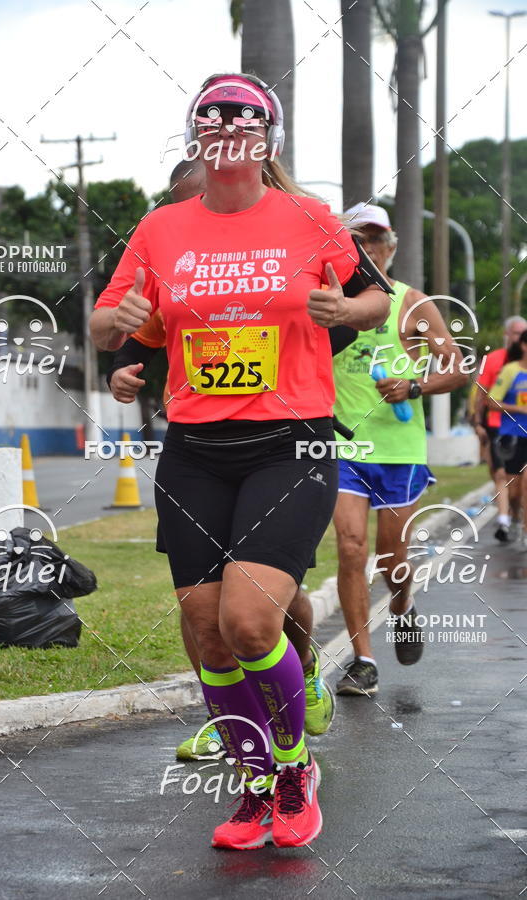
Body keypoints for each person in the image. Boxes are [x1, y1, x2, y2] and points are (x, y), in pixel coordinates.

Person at [91, 72, 390, 850]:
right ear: (195, 135)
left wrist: (343, 308)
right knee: (206, 629)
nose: (227, 132)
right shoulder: (160, 228)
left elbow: (376, 300)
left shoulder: (309, 217)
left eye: (244, 122)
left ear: (267, 139)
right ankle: (255, 783)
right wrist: (118, 323)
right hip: (195, 450)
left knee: (251, 620)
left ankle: (294, 770)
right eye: (213, 120)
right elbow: (110, 322)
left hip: (290, 443)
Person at [332, 203, 469, 697]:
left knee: (392, 559)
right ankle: (363, 661)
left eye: (375, 240)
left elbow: (457, 367)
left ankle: (402, 602)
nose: (367, 249)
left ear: (390, 248)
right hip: (343, 447)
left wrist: (414, 387)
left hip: (398, 451)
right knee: (350, 547)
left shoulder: (412, 304)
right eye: (357, 240)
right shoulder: (328, 302)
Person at [474, 316, 527, 541]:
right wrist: (477, 422)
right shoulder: (501, 364)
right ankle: (509, 516)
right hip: (504, 429)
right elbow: (484, 396)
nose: (518, 337)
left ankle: (516, 523)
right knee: (506, 480)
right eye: (516, 333)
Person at [487, 328, 527, 550]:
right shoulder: (511, 371)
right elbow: (492, 401)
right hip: (513, 434)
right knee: (514, 490)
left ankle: (525, 531)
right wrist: (518, 408)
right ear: (524, 346)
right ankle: (513, 515)